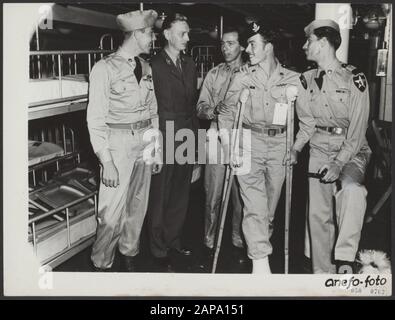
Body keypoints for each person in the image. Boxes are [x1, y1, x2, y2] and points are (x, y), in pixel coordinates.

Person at [218, 21, 313, 274]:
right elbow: (226, 114)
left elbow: (308, 121)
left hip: (280, 146)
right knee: (254, 207)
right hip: (248, 143)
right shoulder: (242, 77)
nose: (247, 49)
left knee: (267, 212)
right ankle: (261, 266)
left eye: (252, 44)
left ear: (268, 47)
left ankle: (260, 249)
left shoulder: (293, 79)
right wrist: (229, 147)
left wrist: (296, 147)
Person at [291, 19, 371, 274]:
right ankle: (322, 276)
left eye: (309, 41)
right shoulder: (305, 80)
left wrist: (338, 163)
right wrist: (294, 149)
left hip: (351, 149)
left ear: (323, 43)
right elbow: (307, 123)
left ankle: (345, 258)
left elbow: (358, 131)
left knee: (351, 190)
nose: (304, 46)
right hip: (318, 148)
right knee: (318, 216)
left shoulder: (354, 78)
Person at [87, 10, 162, 272]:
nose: (153, 37)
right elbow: (95, 120)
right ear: (138, 33)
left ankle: (129, 252)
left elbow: (153, 111)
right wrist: (106, 161)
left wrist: (155, 148)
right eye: (150, 33)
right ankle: (102, 262)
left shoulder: (146, 67)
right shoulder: (103, 68)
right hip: (117, 144)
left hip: (144, 142)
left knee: (137, 206)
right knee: (110, 212)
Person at [147, 13, 198, 272]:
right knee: (160, 192)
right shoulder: (152, 65)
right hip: (164, 131)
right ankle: (157, 247)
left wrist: (195, 144)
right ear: (167, 35)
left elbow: (193, 107)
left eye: (188, 33)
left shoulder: (190, 64)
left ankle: (173, 239)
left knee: (181, 191)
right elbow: (148, 109)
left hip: (186, 130)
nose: (187, 38)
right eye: (182, 33)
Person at [196, 26, 246, 270]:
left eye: (231, 43)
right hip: (216, 137)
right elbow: (200, 106)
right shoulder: (214, 74)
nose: (225, 48)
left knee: (240, 196)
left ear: (242, 46)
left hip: (241, 139)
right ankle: (209, 242)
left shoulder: (251, 73)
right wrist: (212, 111)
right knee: (212, 194)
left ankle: (238, 242)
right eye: (223, 43)